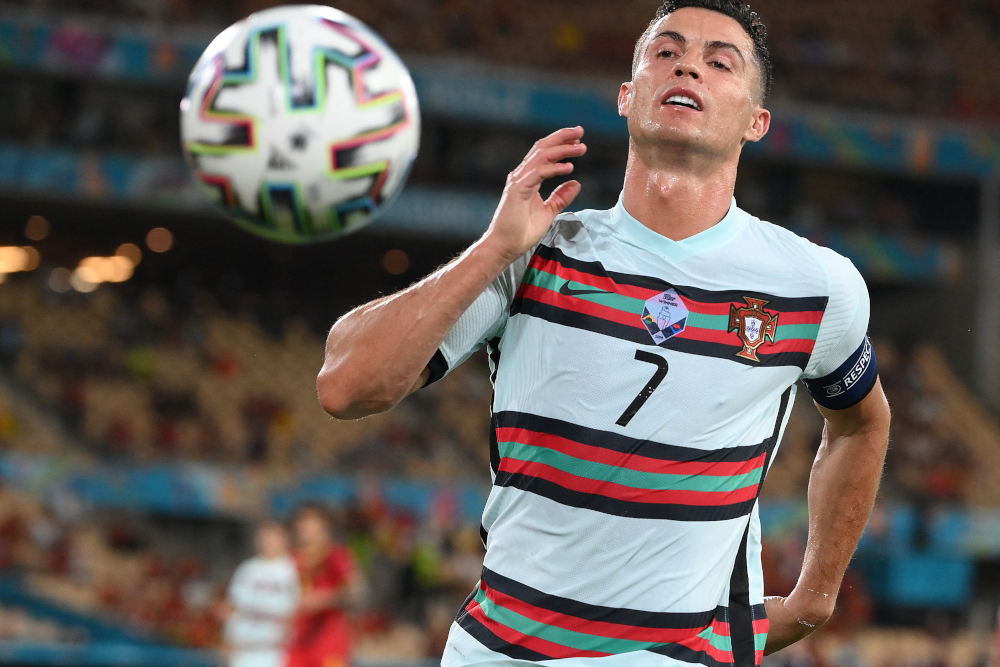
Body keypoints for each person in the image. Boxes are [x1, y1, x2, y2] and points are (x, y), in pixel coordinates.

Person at [317, 0, 892, 665]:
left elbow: (860, 423)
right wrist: (492, 249)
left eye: (719, 61)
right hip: (497, 650)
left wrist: (817, 592)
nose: (688, 67)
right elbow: (346, 385)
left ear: (756, 122)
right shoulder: (534, 253)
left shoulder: (813, 284)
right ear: (627, 95)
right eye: (666, 52)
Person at [286, 505, 364, 667]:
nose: (306, 528)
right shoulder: (290, 559)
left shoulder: (336, 555)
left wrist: (324, 599)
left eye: (311, 523)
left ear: (324, 527)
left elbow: (356, 590)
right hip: (296, 642)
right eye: (303, 523)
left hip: (329, 641)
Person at [223, 521, 300, 667]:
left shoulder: (293, 568)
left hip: (275, 651)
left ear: (286, 539)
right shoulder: (247, 569)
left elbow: (298, 608)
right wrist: (226, 639)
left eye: (274, 536)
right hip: (243, 649)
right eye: (265, 536)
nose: (269, 541)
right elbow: (231, 606)